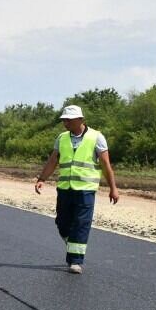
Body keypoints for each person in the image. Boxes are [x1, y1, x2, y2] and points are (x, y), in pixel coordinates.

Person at [34, 105, 118, 274]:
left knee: (81, 223)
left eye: (69, 120)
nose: (65, 123)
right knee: (62, 223)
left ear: (80, 120)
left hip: (86, 190)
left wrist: (113, 188)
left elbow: (105, 165)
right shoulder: (62, 138)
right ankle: (73, 243)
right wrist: (42, 178)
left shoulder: (97, 137)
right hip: (65, 188)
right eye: (64, 120)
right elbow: (53, 161)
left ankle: (75, 261)